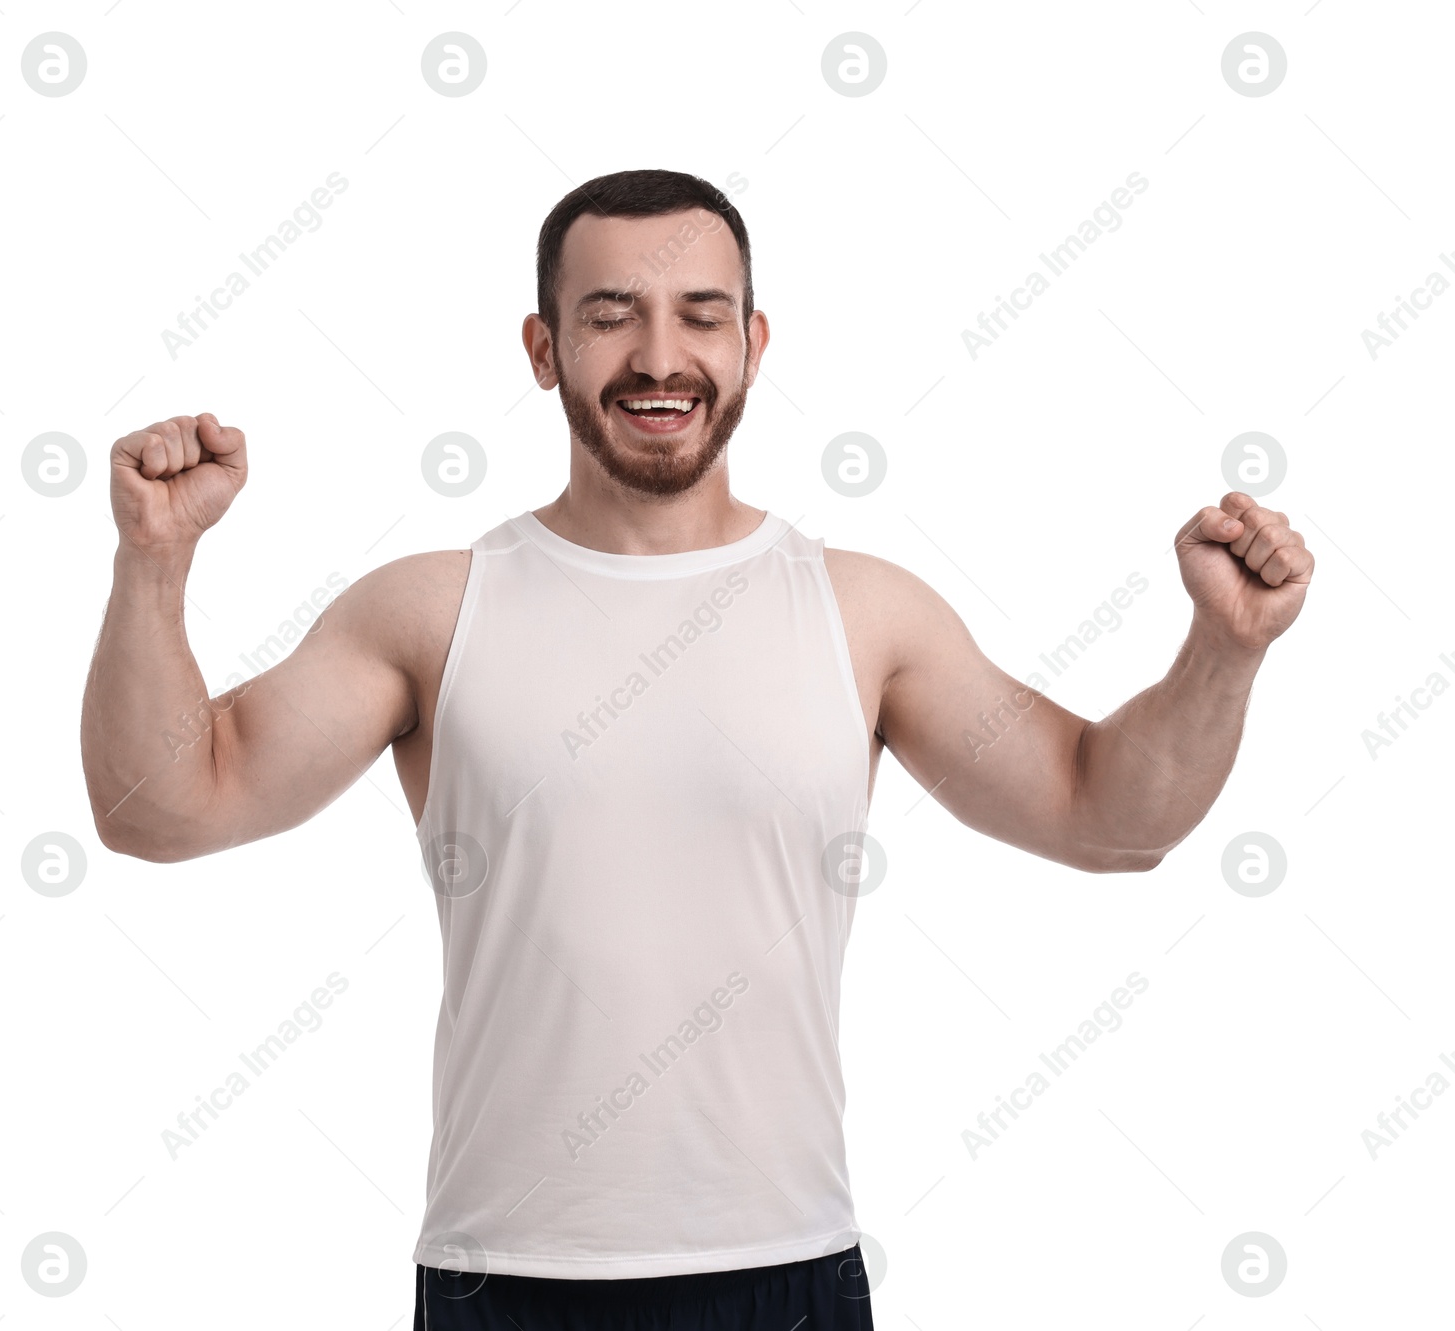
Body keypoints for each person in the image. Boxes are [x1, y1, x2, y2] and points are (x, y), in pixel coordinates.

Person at [80, 169, 1314, 1330]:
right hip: (503, 1276)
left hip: (782, 1270)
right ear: (543, 347)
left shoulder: (863, 612)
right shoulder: (431, 609)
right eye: (610, 315)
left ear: (753, 346)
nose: (658, 358)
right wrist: (155, 562)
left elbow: (1107, 818)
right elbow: (161, 808)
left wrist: (1223, 649)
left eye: (699, 316)